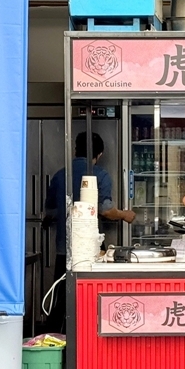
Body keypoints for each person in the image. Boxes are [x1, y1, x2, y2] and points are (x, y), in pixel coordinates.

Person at [43, 132, 134, 331]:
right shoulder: (99, 175)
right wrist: (125, 214)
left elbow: (49, 211)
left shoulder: (60, 175)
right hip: (89, 248)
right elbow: (106, 210)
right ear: (99, 154)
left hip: (63, 247)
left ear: (75, 150)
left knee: (60, 299)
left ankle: (53, 342)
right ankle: (85, 336)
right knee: (90, 295)